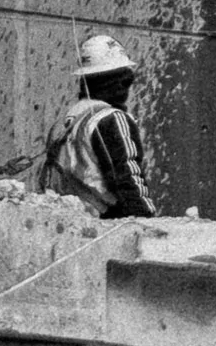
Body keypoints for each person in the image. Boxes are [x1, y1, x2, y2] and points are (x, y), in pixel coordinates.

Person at [39, 30, 157, 218]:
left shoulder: (64, 122)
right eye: (125, 80)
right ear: (110, 82)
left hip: (66, 221)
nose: (125, 88)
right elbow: (128, 179)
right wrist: (148, 223)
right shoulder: (111, 119)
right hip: (104, 224)